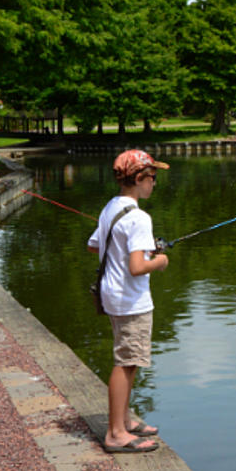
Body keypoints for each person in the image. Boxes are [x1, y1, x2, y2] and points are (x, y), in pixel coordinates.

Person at [87, 149, 170, 454]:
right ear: (138, 179)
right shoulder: (139, 217)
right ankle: (115, 433)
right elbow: (137, 267)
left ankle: (123, 419)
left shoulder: (112, 207)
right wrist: (159, 261)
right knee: (126, 362)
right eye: (152, 177)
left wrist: (133, 248)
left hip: (113, 294)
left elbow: (93, 245)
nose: (154, 183)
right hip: (130, 300)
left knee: (129, 360)